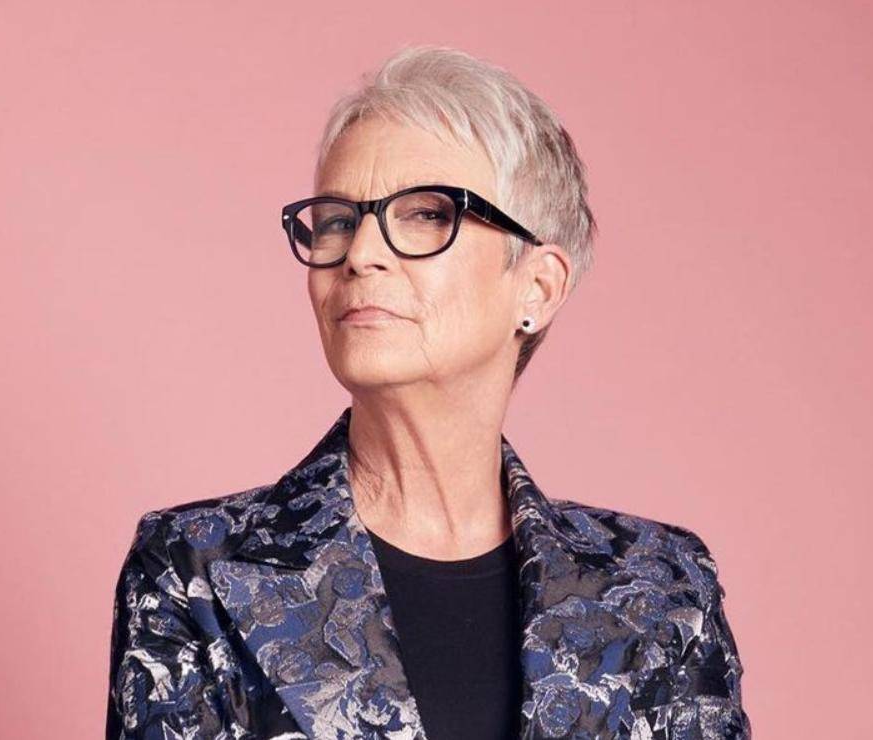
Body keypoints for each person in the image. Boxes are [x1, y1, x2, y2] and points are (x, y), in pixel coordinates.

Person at [106, 44, 751, 739]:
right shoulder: (194, 571)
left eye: (425, 215)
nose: (360, 255)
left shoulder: (660, 588)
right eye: (338, 221)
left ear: (538, 286)